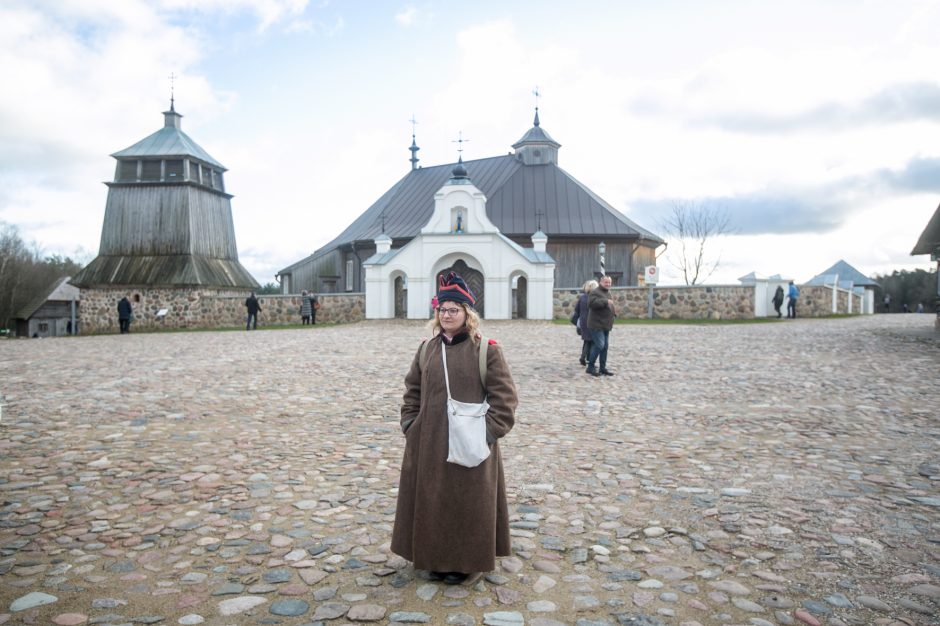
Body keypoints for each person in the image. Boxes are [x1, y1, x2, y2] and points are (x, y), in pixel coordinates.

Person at [391, 271, 518, 585]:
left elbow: (505, 398)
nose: (447, 315)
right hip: (429, 443)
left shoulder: (486, 350)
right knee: (434, 501)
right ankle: (435, 558)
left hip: (471, 443)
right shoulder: (426, 349)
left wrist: (487, 434)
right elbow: (413, 390)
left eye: (454, 310)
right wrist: (411, 424)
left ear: (467, 314)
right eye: (442, 310)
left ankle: (467, 563)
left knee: (467, 503)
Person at [586, 275, 616, 376]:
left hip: (606, 325)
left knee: (605, 347)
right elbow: (591, 304)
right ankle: (590, 367)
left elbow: (610, 305)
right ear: (601, 282)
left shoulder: (608, 292)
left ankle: (602, 368)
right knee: (600, 345)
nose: (608, 284)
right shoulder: (595, 292)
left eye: (609, 282)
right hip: (596, 324)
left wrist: (613, 313)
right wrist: (605, 301)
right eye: (606, 282)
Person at [571, 279, 598, 365]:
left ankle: (585, 357)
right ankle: (585, 358)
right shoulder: (595, 298)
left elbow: (576, 310)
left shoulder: (582, 297)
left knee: (587, 340)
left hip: (583, 322)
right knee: (591, 341)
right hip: (592, 322)